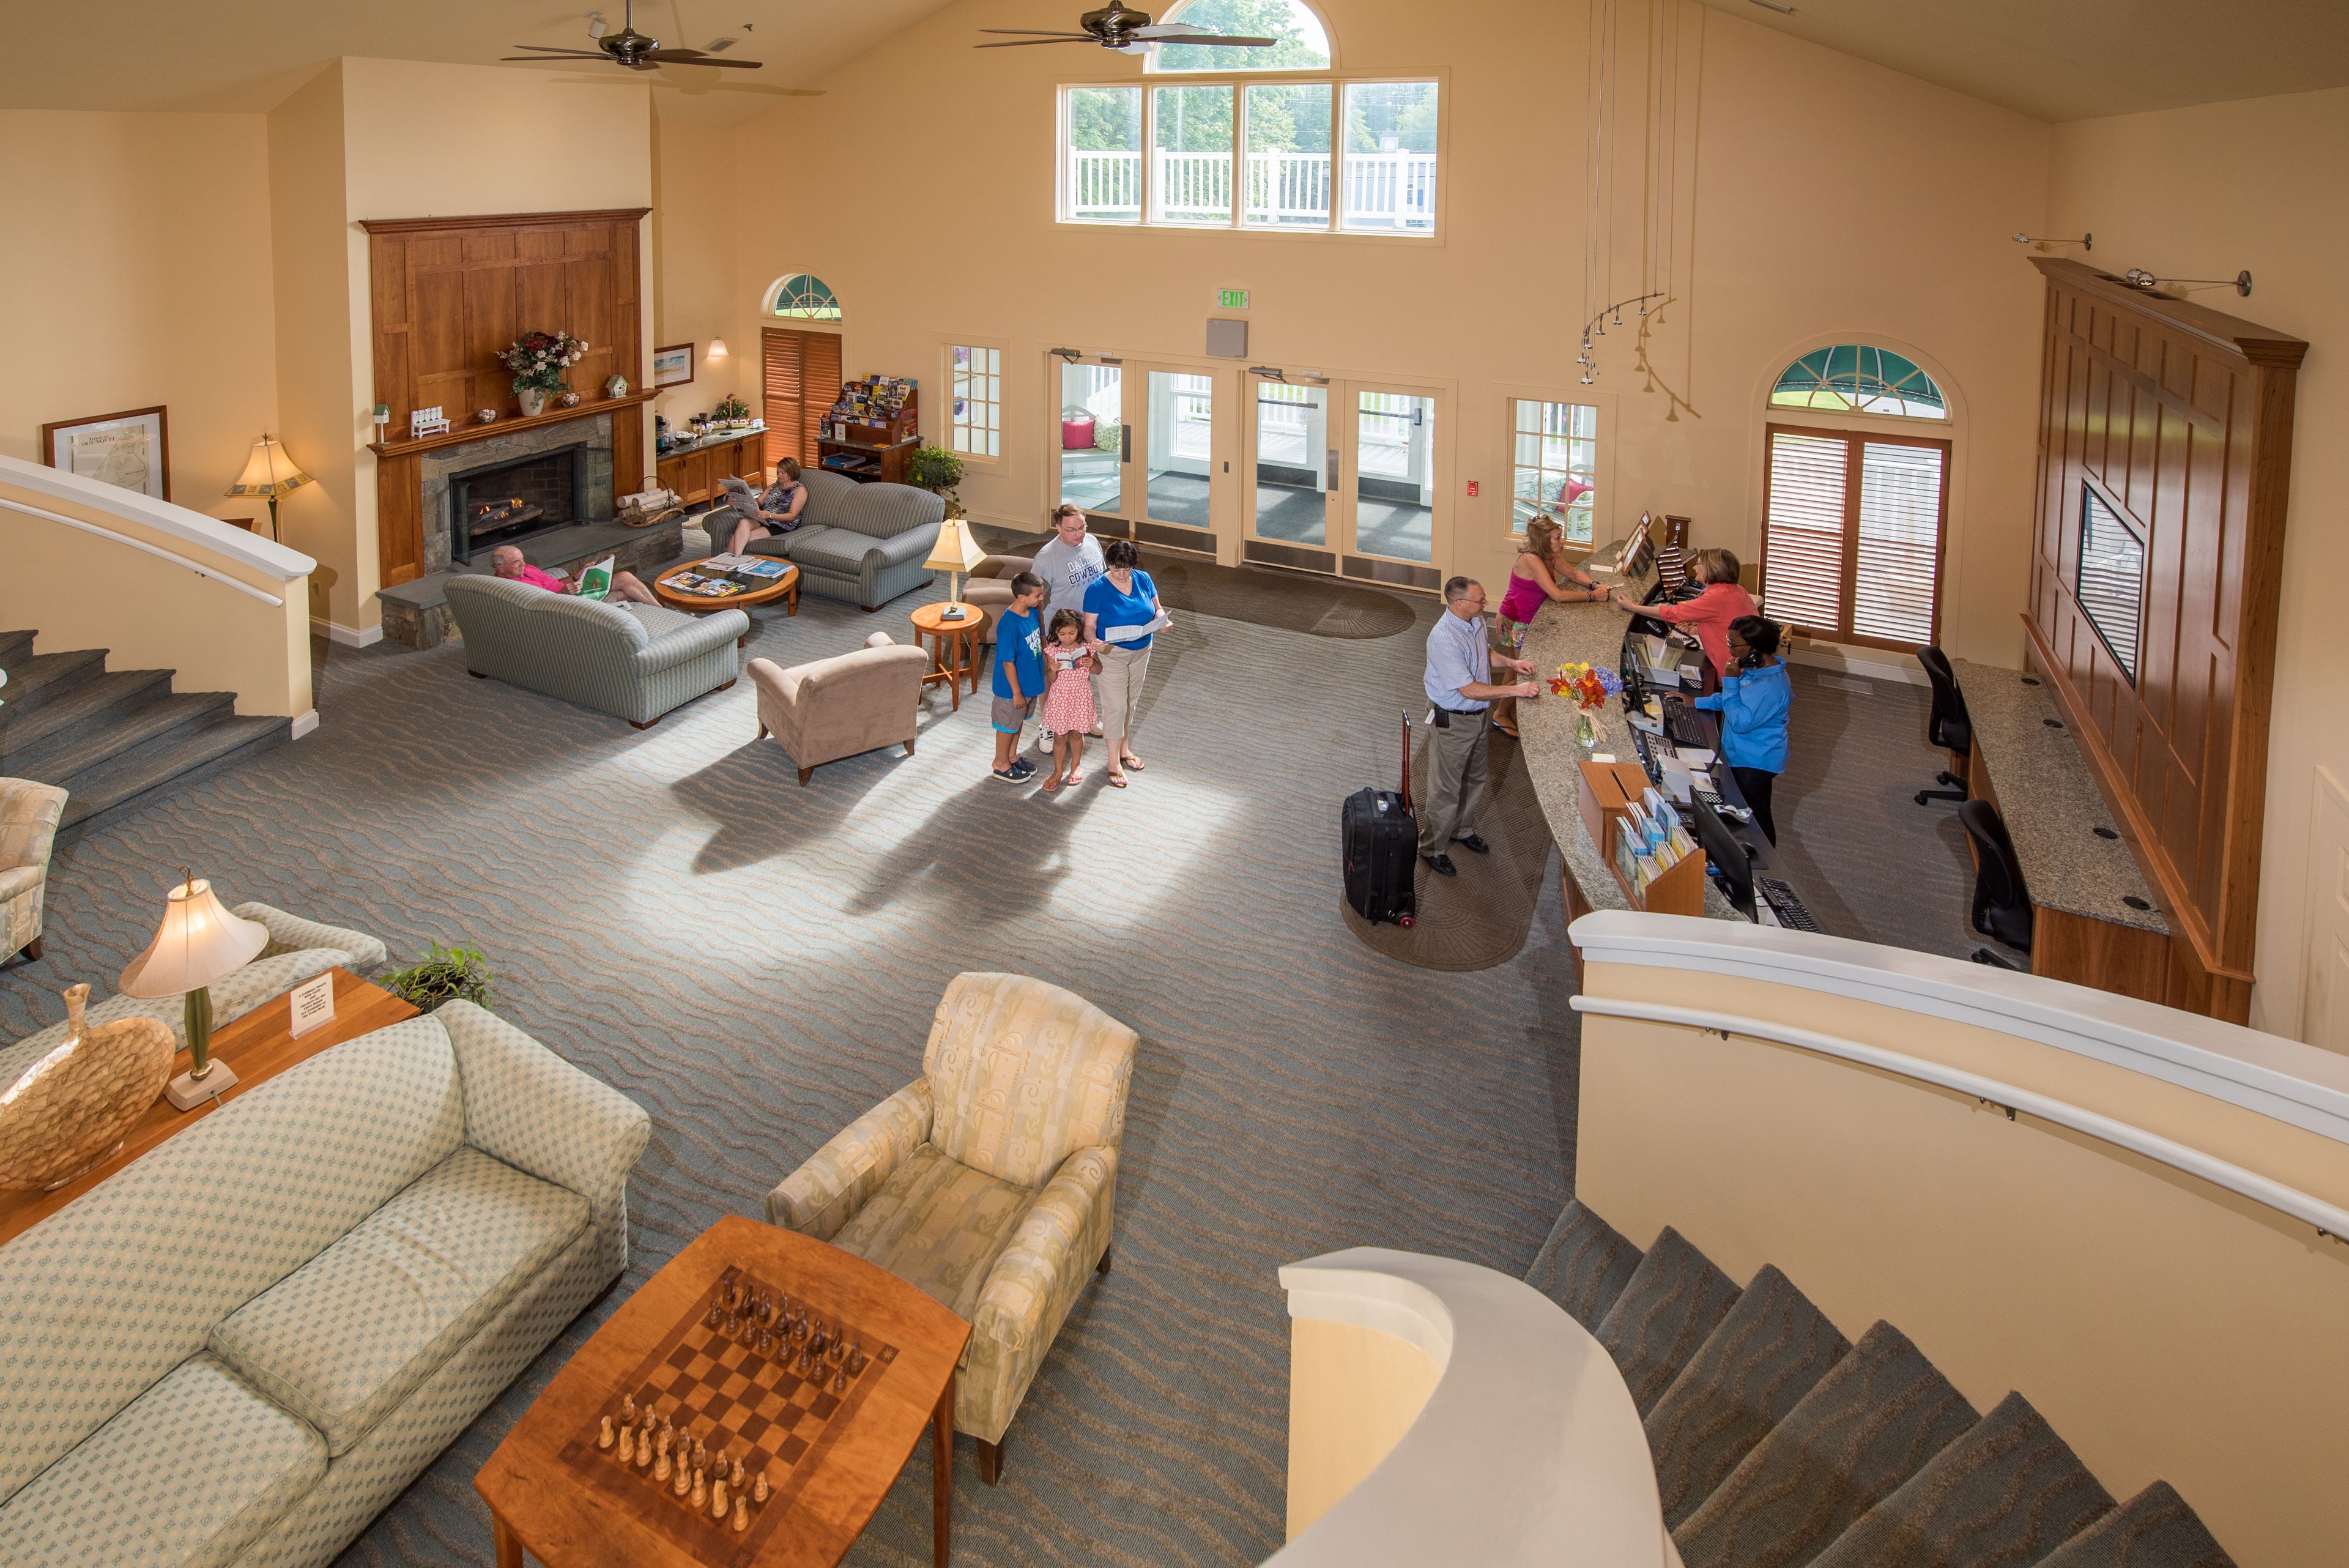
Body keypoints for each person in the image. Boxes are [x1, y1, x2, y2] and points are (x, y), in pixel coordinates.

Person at [1419, 577, 1541, 875]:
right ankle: (1432, 847)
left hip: (1476, 717)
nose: (1486, 604)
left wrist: (1512, 665)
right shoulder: (1444, 638)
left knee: (1475, 778)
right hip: (1453, 720)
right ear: (1459, 603)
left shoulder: (1474, 621)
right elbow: (1468, 690)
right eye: (1480, 600)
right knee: (1446, 789)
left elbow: (1485, 653)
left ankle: (1462, 830)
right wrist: (1515, 691)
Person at [1493, 515, 1611, 737]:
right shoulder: (1532, 559)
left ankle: (1505, 712)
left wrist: (1595, 584)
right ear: (1543, 541)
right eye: (1557, 538)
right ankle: (1501, 714)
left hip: (1525, 620)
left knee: (1516, 668)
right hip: (1516, 622)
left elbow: (1574, 573)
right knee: (1521, 671)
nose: (1562, 542)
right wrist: (1592, 596)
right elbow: (1557, 595)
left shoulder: (1550, 556)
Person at [1694, 614, 1792, 845]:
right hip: (1743, 755)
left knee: (1753, 817)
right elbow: (1734, 699)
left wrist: (1730, 680)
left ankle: (1766, 862)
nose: (1729, 650)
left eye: (1733, 644)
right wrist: (1698, 703)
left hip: (1754, 762)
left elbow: (1739, 721)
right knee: (1756, 810)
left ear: (1754, 648)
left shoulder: (1770, 687)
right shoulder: (1756, 668)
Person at [1082, 540, 1165, 789]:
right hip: (1111, 653)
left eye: (1127, 569)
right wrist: (1093, 641)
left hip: (1142, 649)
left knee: (1131, 702)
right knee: (1115, 707)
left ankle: (1124, 748)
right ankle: (1112, 763)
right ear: (1109, 565)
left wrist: (1162, 621)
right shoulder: (1097, 589)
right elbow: (1089, 627)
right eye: (1117, 569)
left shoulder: (1143, 579)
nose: (1122, 574)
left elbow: (1158, 609)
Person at [1612, 545, 1757, 680]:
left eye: (1699, 564)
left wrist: (1633, 607)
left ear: (1712, 569)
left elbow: (1673, 614)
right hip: (1745, 663)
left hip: (1731, 669)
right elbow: (1723, 622)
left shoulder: (1717, 597)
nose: (1694, 568)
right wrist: (1696, 629)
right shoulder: (1736, 589)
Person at [1029, 503, 1107, 750]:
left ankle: (1083, 720)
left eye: (1082, 527)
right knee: (1053, 677)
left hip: (1088, 626)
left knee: (1082, 674)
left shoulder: (1093, 542)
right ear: (1058, 527)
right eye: (1071, 530)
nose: (1079, 534)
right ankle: (1049, 726)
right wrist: (1040, 634)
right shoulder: (1047, 558)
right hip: (1059, 630)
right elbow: (1034, 598)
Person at [989, 572, 1048, 785]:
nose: (1041, 599)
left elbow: (1038, 637)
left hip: (1028, 685)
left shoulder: (1031, 612)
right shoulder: (1009, 625)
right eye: (1038, 596)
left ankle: (1012, 756)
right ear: (1022, 597)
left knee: (1017, 723)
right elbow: (1007, 662)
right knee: (1006, 726)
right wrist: (1016, 692)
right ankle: (1000, 763)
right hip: (1012, 691)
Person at [1038, 610, 1098, 793]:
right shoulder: (1053, 650)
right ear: (1055, 632)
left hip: (1080, 696)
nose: (1067, 638)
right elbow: (1050, 678)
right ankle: (1058, 771)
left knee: (1076, 734)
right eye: (1061, 634)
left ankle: (1076, 766)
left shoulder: (1087, 648)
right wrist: (1053, 670)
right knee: (1060, 736)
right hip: (1060, 698)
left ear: (1078, 630)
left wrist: (1092, 664)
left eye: (1071, 633)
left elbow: (1099, 669)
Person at [488, 544, 655, 604]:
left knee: (628, 584)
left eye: (522, 559)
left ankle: (661, 610)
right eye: (517, 562)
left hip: (573, 591)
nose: (524, 564)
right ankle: (663, 611)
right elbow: (540, 605)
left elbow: (553, 582)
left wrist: (577, 575)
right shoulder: (510, 588)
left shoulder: (527, 569)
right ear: (500, 568)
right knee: (629, 586)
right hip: (568, 603)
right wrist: (563, 594)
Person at [725, 459, 808, 556]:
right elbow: (758, 502)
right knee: (743, 522)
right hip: (765, 519)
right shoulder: (774, 486)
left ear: (792, 472)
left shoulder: (799, 490)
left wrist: (770, 515)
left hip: (782, 524)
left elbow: (792, 516)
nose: (779, 476)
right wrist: (737, 501)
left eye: (783, 473)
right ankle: (728, 563)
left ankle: (733, 560)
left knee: (735, 538)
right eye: (778, 472)